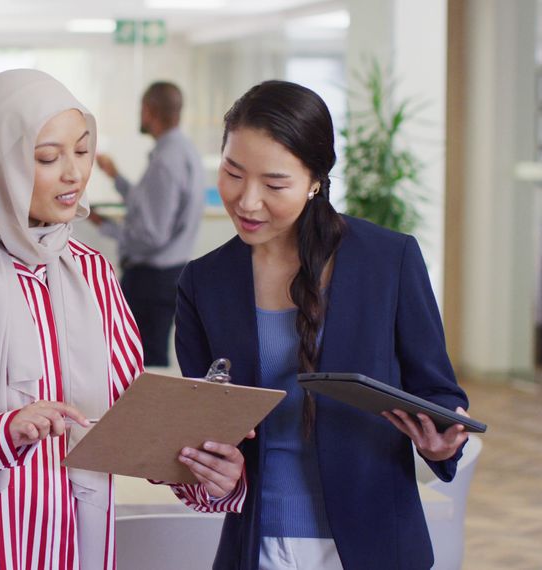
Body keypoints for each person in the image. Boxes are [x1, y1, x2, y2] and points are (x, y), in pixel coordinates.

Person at [0, 69, 247, 570]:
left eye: (82, 151)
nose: (74, 174)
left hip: (67, 544)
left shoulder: (91, 271)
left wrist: (207, 473)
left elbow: (130, 421)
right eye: (47, 157)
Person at [173, 80, 471, 569]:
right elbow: (204, 425)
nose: (247, 201)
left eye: (274, 185)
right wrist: (214, 473)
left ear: (315, 180)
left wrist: (440, 442)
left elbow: (436, 390)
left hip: (374, 544)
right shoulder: (203, 282)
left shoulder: (388, 261)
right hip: (258, 544)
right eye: (232, 173)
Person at [88, 81, 204, 367]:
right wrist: (115, 177)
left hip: (151, 281)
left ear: (149, 111)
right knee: (144, 360)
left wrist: (103, 224)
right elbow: (150, 208)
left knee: (141, 364)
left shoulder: (167, 161)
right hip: (163, 277)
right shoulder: (182, 151)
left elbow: (152, 235)